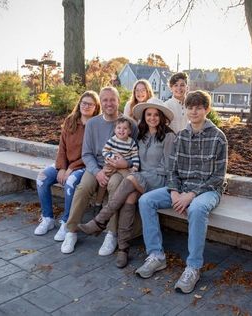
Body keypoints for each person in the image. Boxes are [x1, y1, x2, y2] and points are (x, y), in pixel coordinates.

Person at [135, 90, 228, 294]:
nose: (194, 111)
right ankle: (156, 256)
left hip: (207, 190)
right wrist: (175, 191)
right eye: (190, 107)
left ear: (207, 110)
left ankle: (193, 267)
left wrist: (191, 195)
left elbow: (218, 178)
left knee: (196, 209)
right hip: (181, 188)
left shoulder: (218, 138)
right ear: (185, 109)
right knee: (145, 201)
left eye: (199, 107)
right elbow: (172, 170)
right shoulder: (181, 136)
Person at [78, 97, 175, 268]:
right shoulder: (142, 135)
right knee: (129, 199)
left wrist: (136, 172)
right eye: (148, 114)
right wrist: (127, 165)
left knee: (130, 179)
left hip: (158, 180)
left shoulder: (168, 136)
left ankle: (100, 220)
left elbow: (168, 167)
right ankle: (123, 249)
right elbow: (133, 159)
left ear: (162, 117)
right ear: (144, 116)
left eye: (156, 115)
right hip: (140, 177)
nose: (152, 118)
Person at [61, 86, 139, 255]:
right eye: (105, 100)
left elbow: (137, 154)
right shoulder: (93, 123)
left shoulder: (130, 124)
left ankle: (111, 233)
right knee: (83, 188)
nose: (109, 103)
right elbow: (86, 153)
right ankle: (71, 230)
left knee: (114, 186)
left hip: (120, 170)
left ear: (118, 101)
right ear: (100, 103)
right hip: (96, 166)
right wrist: (97, 172)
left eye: (112, 99)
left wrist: (124, 164)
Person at [34, 91, 101, 241]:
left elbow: (92, 154)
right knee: (42, 178)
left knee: (70, 182)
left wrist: (71, 169)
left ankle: (66, 222)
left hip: (84, 166)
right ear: (79, 104)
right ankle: (47, 218)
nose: (86, 106)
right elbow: (62, 147)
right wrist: (62, 167)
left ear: (96, 107)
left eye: (90, 104)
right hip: (66, 164)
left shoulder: (96, 126)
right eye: (83, 103)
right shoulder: (71, 120)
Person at [94, 117, 140, 208]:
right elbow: (105, 151)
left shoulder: (131, 143)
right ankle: (98, 202)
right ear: (115, 130)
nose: (121, 130)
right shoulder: (113, 140)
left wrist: (135, 167)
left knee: (129, 179)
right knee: (103, 182)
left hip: (124, 167)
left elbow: (135, 156)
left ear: (129, 131)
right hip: (110, 165)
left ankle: (124, 201)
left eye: (125, 128)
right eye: (119, 128)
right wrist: (112, 158)